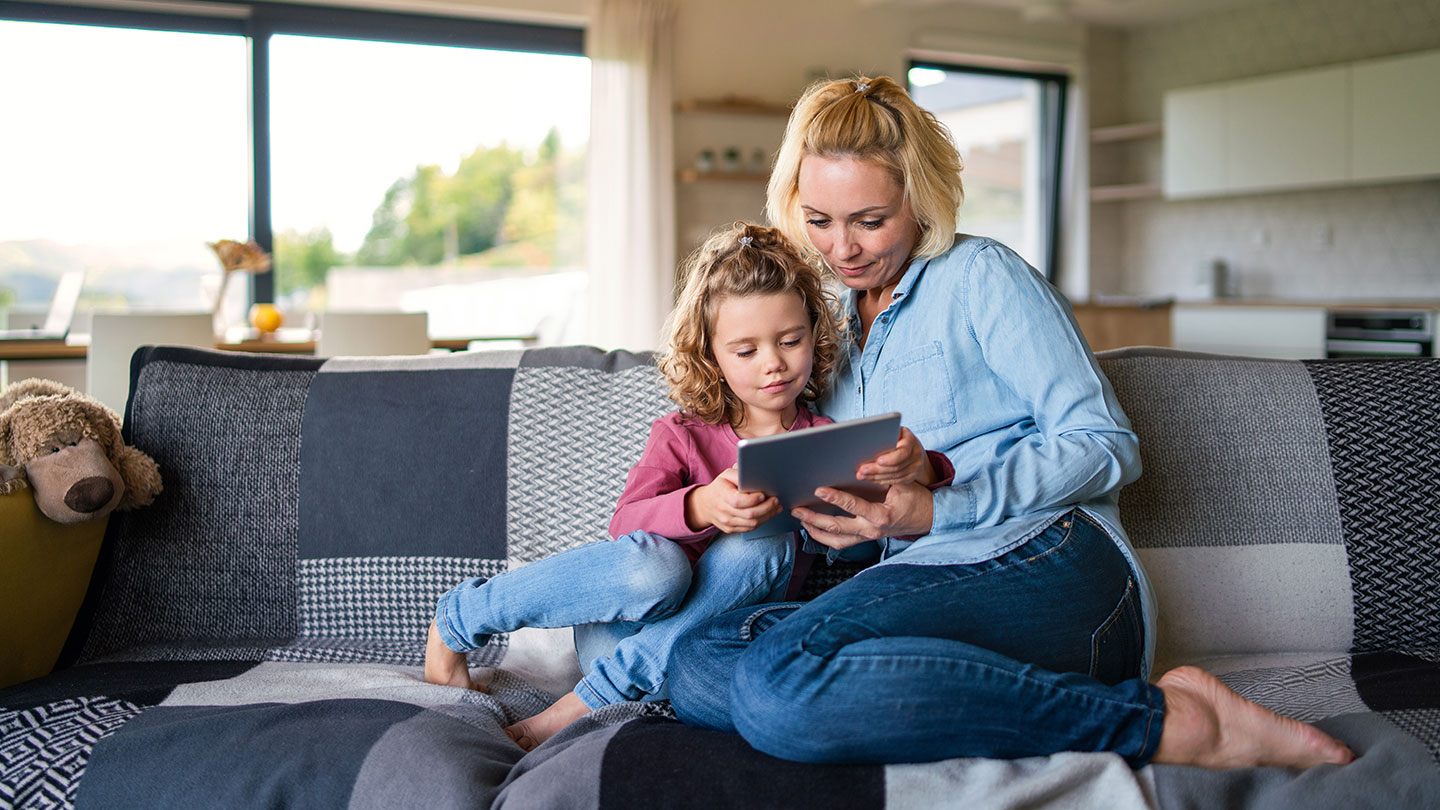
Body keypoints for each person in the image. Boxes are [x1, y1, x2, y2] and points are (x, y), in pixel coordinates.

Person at [666, 76, 1355, 771]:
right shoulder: (826, 328)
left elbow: (1105, 443)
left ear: (920, 199)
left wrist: (939, 508)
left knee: (776, 682)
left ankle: (1171, 727)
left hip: (1052, 564)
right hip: (925, 584)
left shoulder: (981, 277)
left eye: (869, 220)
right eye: (819, 219)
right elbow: (881, 519)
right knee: (699, 662)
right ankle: (940, 695)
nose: (842, 248)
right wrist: (837, 521)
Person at [424, 221, 935, 751]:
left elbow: (865, 547)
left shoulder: (824, 441)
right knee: (658, 566)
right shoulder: (682, 434)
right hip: (621, 633)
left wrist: (868, 509)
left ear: (814, 333)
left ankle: (586, 702)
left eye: (790, 340)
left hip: (692, 659)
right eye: (746, 351)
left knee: (763, 545)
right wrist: (703, 504)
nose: (774, 364)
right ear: (711, 355)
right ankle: (461, 616)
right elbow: (626, 524)